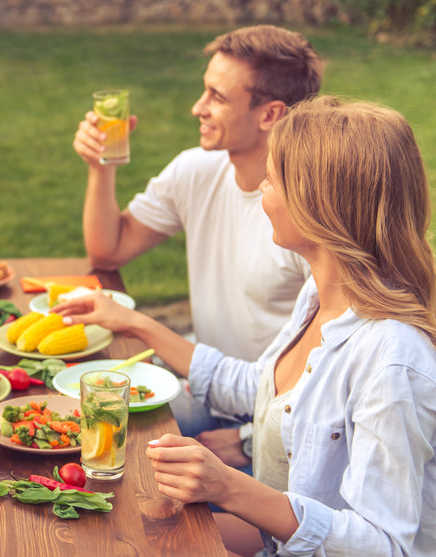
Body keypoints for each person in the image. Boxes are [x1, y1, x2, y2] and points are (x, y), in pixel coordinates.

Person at [56, 97, 436, 555]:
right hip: (273, 543)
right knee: (112, 527)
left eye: (271, 180)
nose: (260, 193)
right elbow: (260, 388)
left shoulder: (392, 359)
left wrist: (229, 488)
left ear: (318, 205)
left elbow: (389, 546)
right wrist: (136, 323)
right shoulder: (319, 297)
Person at [71, 25, 322, 467]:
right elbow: (108, 252)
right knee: (77, 426)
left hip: (275, 426)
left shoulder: (308, 217)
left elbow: (327, 378)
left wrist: (245, 439)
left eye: (217, 97)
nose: (197, 108)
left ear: (270, 115)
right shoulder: (197, 170)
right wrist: (100, 166)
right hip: (203, 388)